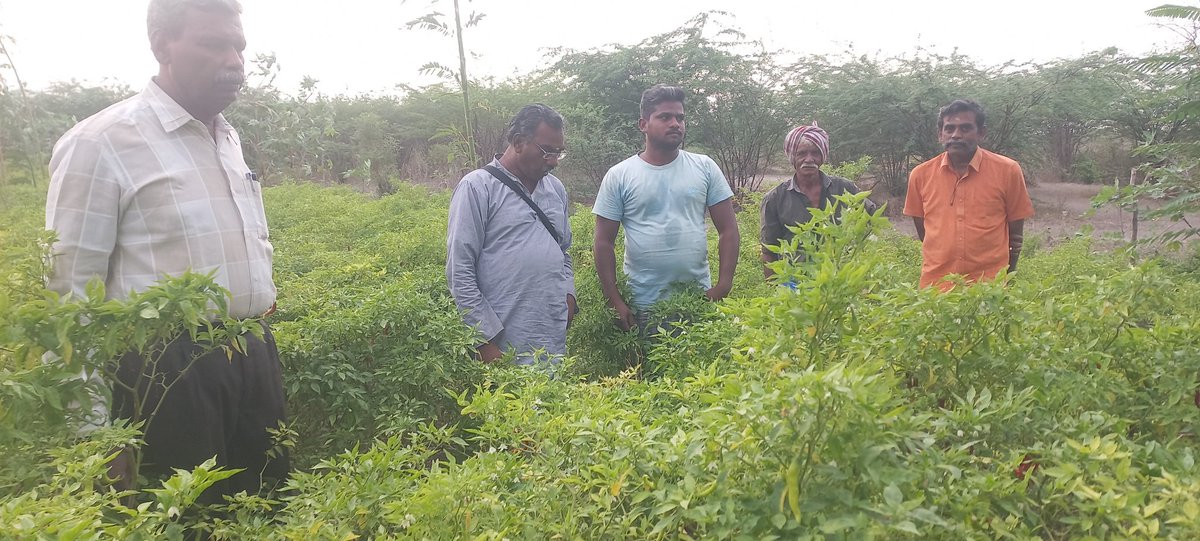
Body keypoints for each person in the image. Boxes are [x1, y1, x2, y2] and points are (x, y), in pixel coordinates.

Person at [45, 0, 287, 499]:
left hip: (253, 350)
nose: (234, 61)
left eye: (238, 46)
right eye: (213, 44)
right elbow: (69, 297)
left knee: (266, 504)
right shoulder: (102, 142)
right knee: (189, 517)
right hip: (165, 370)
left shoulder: (227, 137)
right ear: (161, 46)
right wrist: (97, 434)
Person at [592, 84, 740, 332]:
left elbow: (729, 230)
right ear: (643, 124)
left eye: (680, 118)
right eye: (665, 117)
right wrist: (614, 300)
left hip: (698, 301)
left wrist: (723, 286)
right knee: (646, 371)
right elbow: (603, 242)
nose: (675, 123)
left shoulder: (704, 167)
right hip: (642, 307)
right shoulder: (619, 175)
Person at [446, 104, 575, 364]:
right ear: (518, 142)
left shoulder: (556, 190)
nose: (553, 161)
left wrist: (570, 296)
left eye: (559, 153)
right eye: (547, 151)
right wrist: (483, 340)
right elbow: (460, 270)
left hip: (552, 339)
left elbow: (563, 251)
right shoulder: (477, 187)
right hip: (501, 346)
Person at [903, 99, 1035, 290]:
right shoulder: (920, 175)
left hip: (988, 291)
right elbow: (925, 233)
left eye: (965, 128)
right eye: (949, 129)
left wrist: (1006, 280)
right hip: (935, 290)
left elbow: (1015, 236)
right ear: (940, 134)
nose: (956, 135)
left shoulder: (1008, 171)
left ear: (981, 132)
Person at [759, 122, 877, 279]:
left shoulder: (844, 188)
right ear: (792, 157)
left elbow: (872, 219)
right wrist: (773, 291)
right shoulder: (775, 199)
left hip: (841, 282)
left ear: (823, 156)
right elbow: (769, 251)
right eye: (801, 153)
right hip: (795, 284)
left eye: (815, 153)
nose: (809, 159)